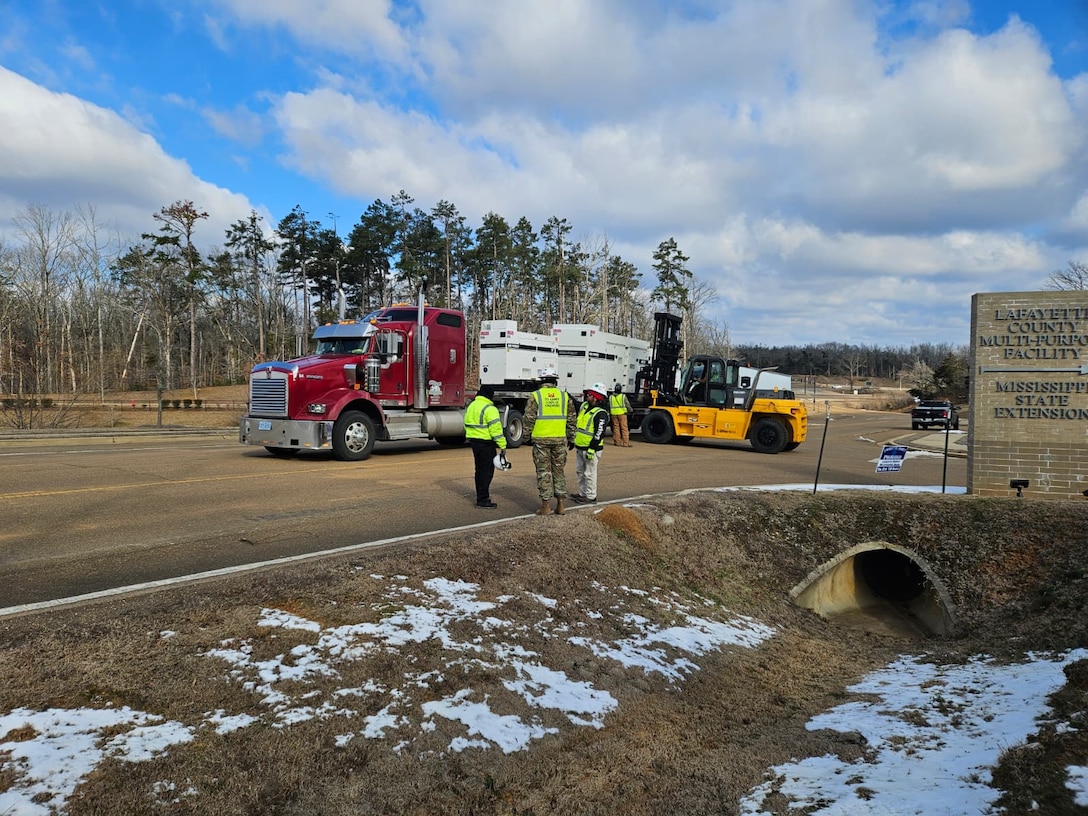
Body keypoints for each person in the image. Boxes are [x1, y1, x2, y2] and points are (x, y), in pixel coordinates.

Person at [522, 367, 576, 515]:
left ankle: (546, 507)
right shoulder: (565, 397)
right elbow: (571, 419)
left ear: (541, 381)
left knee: (544, 472)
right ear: (555, 381)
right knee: (559, 472)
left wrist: (526, 437)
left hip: (541, 441)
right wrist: (571, 437)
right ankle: (561, 505)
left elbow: (529, 419)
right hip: (559, 440)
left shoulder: (536, 396)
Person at [463, 383, 507, 508]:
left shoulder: (472, 406)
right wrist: (503, 445)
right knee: (487, 472)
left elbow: (465, 423)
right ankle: (483, 499)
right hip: (486, 444)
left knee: (479, 471)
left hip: (474, 443)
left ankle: (481, 496)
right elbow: (496, 431)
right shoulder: (490, 409)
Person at [571, 383, 610, 504]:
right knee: (580, 471)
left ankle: (591, 496)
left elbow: (599, 433)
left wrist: (592, 448)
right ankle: (583, 493)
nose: (587, 396)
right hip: (581, 447)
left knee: (590, 473)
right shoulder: (585, 406)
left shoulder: (601, 413)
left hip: (591, 449)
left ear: (596, 397)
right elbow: (576, 405)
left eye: (590, 395)